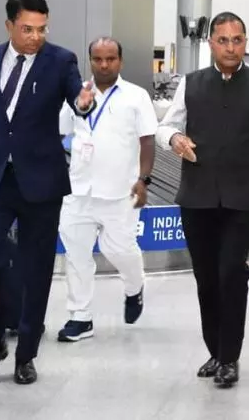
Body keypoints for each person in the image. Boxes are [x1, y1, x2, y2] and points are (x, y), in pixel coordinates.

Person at [0, 0, 97, 385]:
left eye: (42, 29)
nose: (35, 37)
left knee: (36, 271)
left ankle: (26, 354)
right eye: (27, 29)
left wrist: (83, 103)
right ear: (9, 25)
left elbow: (77, 98)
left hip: (42, 182)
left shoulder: (60, 60)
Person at [156, 11, 249, 388]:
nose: (230, 47)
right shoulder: (191, 84)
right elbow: (165, 126)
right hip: (196, 198)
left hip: (240, 200)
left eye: (237, 40)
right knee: (206, 278)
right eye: (223, 40)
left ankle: (230, 356)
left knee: (231, 274)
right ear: (211, 43)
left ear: (245, 43)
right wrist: (174, 139)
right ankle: (215, 350)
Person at [55, 37, 158, 342]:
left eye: (110, 59)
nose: (104, 65)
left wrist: (144, 179)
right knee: (77, 254)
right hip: (78, 190)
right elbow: (59, 129)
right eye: (98, 59)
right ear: (90, 61)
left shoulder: (136, 96)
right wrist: (78, 104)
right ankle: (80, 316)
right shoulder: (77, 94)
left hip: (120, 192)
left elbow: (147, 140)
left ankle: (134, 286)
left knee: (119, 250)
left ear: (120, 61)